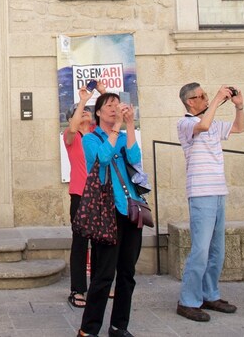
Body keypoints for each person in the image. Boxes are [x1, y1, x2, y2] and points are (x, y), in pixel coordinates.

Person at [175, 83, 244, 323]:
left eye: (206, 95)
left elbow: (239, 127)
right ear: (190, 102)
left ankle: (209, 294)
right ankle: (188, 301)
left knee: (217, 250)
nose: (205, 98)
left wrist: (239, 106)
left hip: (218, 191)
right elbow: (202, 126)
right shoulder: (185, 123)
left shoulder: (213, 122)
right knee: (201, 250)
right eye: (201, 96)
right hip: (201, 192)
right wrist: (216, 98)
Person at [77, 93, 144, 337]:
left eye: (118, 104)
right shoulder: (91, 139)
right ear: (98, 112)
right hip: (107, 212)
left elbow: (135, 160)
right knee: (103, 275)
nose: (115, 108)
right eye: (109, 105)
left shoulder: (125, 136)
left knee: (127, 273)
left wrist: (129, 125)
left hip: (131, 209)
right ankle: (88, 329)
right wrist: (116, 128)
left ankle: (119, 326)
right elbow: (102, 158)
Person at [64, 86, 96, 309]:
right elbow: (74, 126)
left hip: (100, 195)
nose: (85, 112)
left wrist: (101, 92)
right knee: (80, 243)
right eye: (79, 111)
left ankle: (100, 285)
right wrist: (82, 101)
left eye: (87, 111)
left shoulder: (97, 134)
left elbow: (113, 119)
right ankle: (77, 290)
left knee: (103, 243)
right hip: (80, 194)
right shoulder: (71, 136)